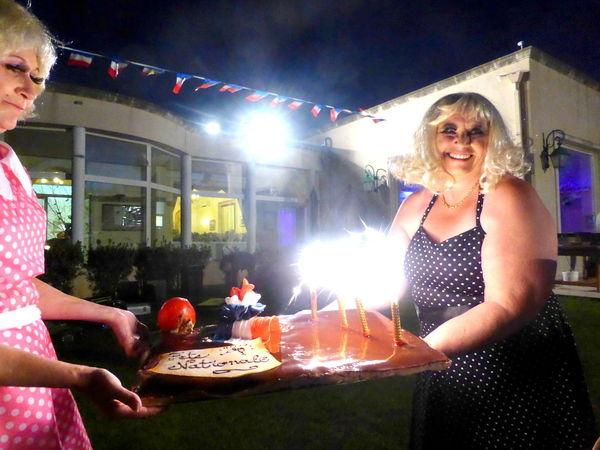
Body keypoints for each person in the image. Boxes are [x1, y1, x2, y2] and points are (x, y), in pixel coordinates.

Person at [389, 92, 597, 449]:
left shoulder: (509, 195)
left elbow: (510, 304)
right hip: (441, 364)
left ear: (493, 139)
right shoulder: (415, 205)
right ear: (430, 137)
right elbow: (381, 280)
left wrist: (421, 350)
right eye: (449, 129)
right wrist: (324, 320)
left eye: (476, 131)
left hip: (513, 366)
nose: (461, 141)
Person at [0, 1, 159, 448]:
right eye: (15, 67)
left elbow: (14, 292)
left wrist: (110, 313)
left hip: (35, 374)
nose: (30, 89)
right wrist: (80, 375)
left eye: (38, 78)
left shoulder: (10, 165)